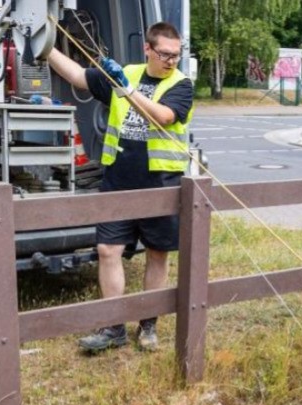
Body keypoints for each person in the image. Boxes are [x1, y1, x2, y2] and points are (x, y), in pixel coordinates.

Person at [46, 22, 194, 354]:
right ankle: (113, 326)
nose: (171, 60)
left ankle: (148, 325)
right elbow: (80, 77)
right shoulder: (126, 72)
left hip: (160, 185)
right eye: (164, 54)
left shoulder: (181, 84)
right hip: (118, 182)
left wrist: (127, 90)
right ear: (147, 49)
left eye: (176, 54)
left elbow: (164, 117)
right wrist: (46, 48)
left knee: (157, 254)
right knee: (107, 251)